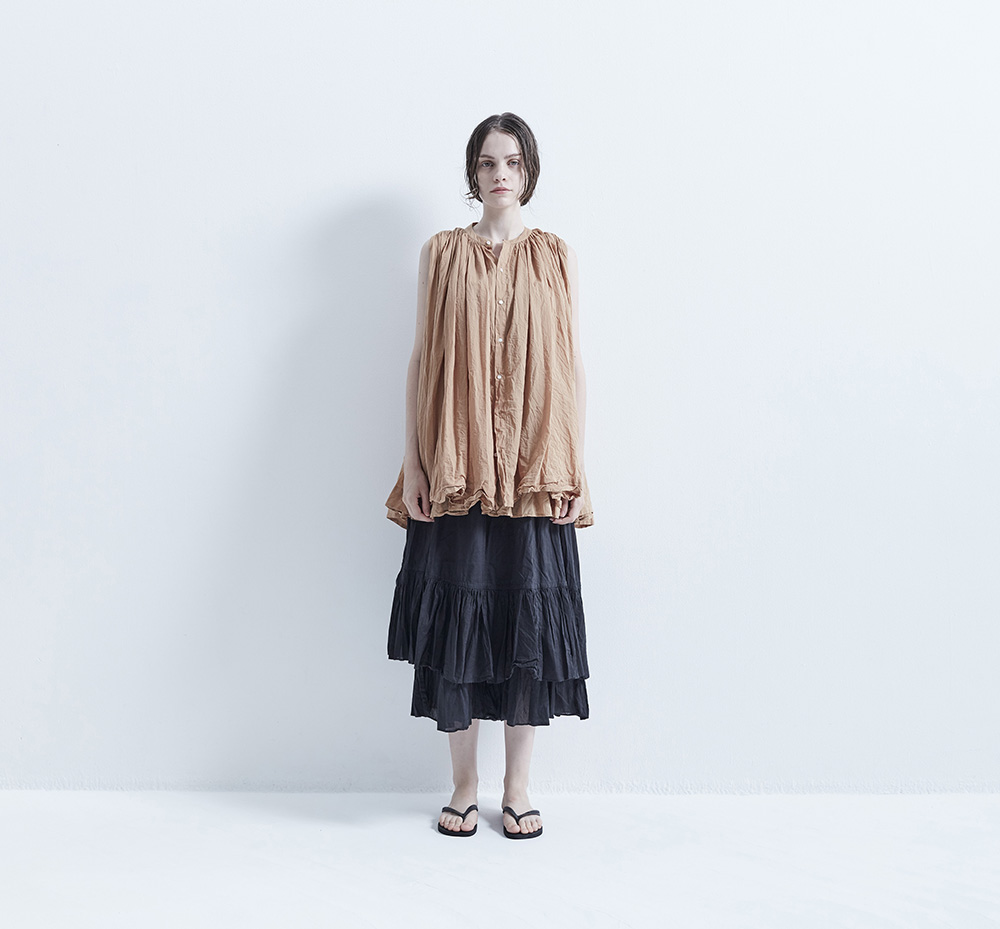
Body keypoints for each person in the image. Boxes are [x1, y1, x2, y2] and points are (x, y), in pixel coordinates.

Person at [384, 113, 593, 840]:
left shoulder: (555, 256)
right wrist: (415, 463)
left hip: (534, 467)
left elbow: (569, 364)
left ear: (528, 171)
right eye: (486, 162)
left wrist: (576, 467)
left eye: (512, 162)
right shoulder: (441, 253)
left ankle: (518, 787)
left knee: (526, 626)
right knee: (459, 631)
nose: (499, 174)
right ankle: (464, 784)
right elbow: (422, 360)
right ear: (472, 174)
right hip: (458, 464)